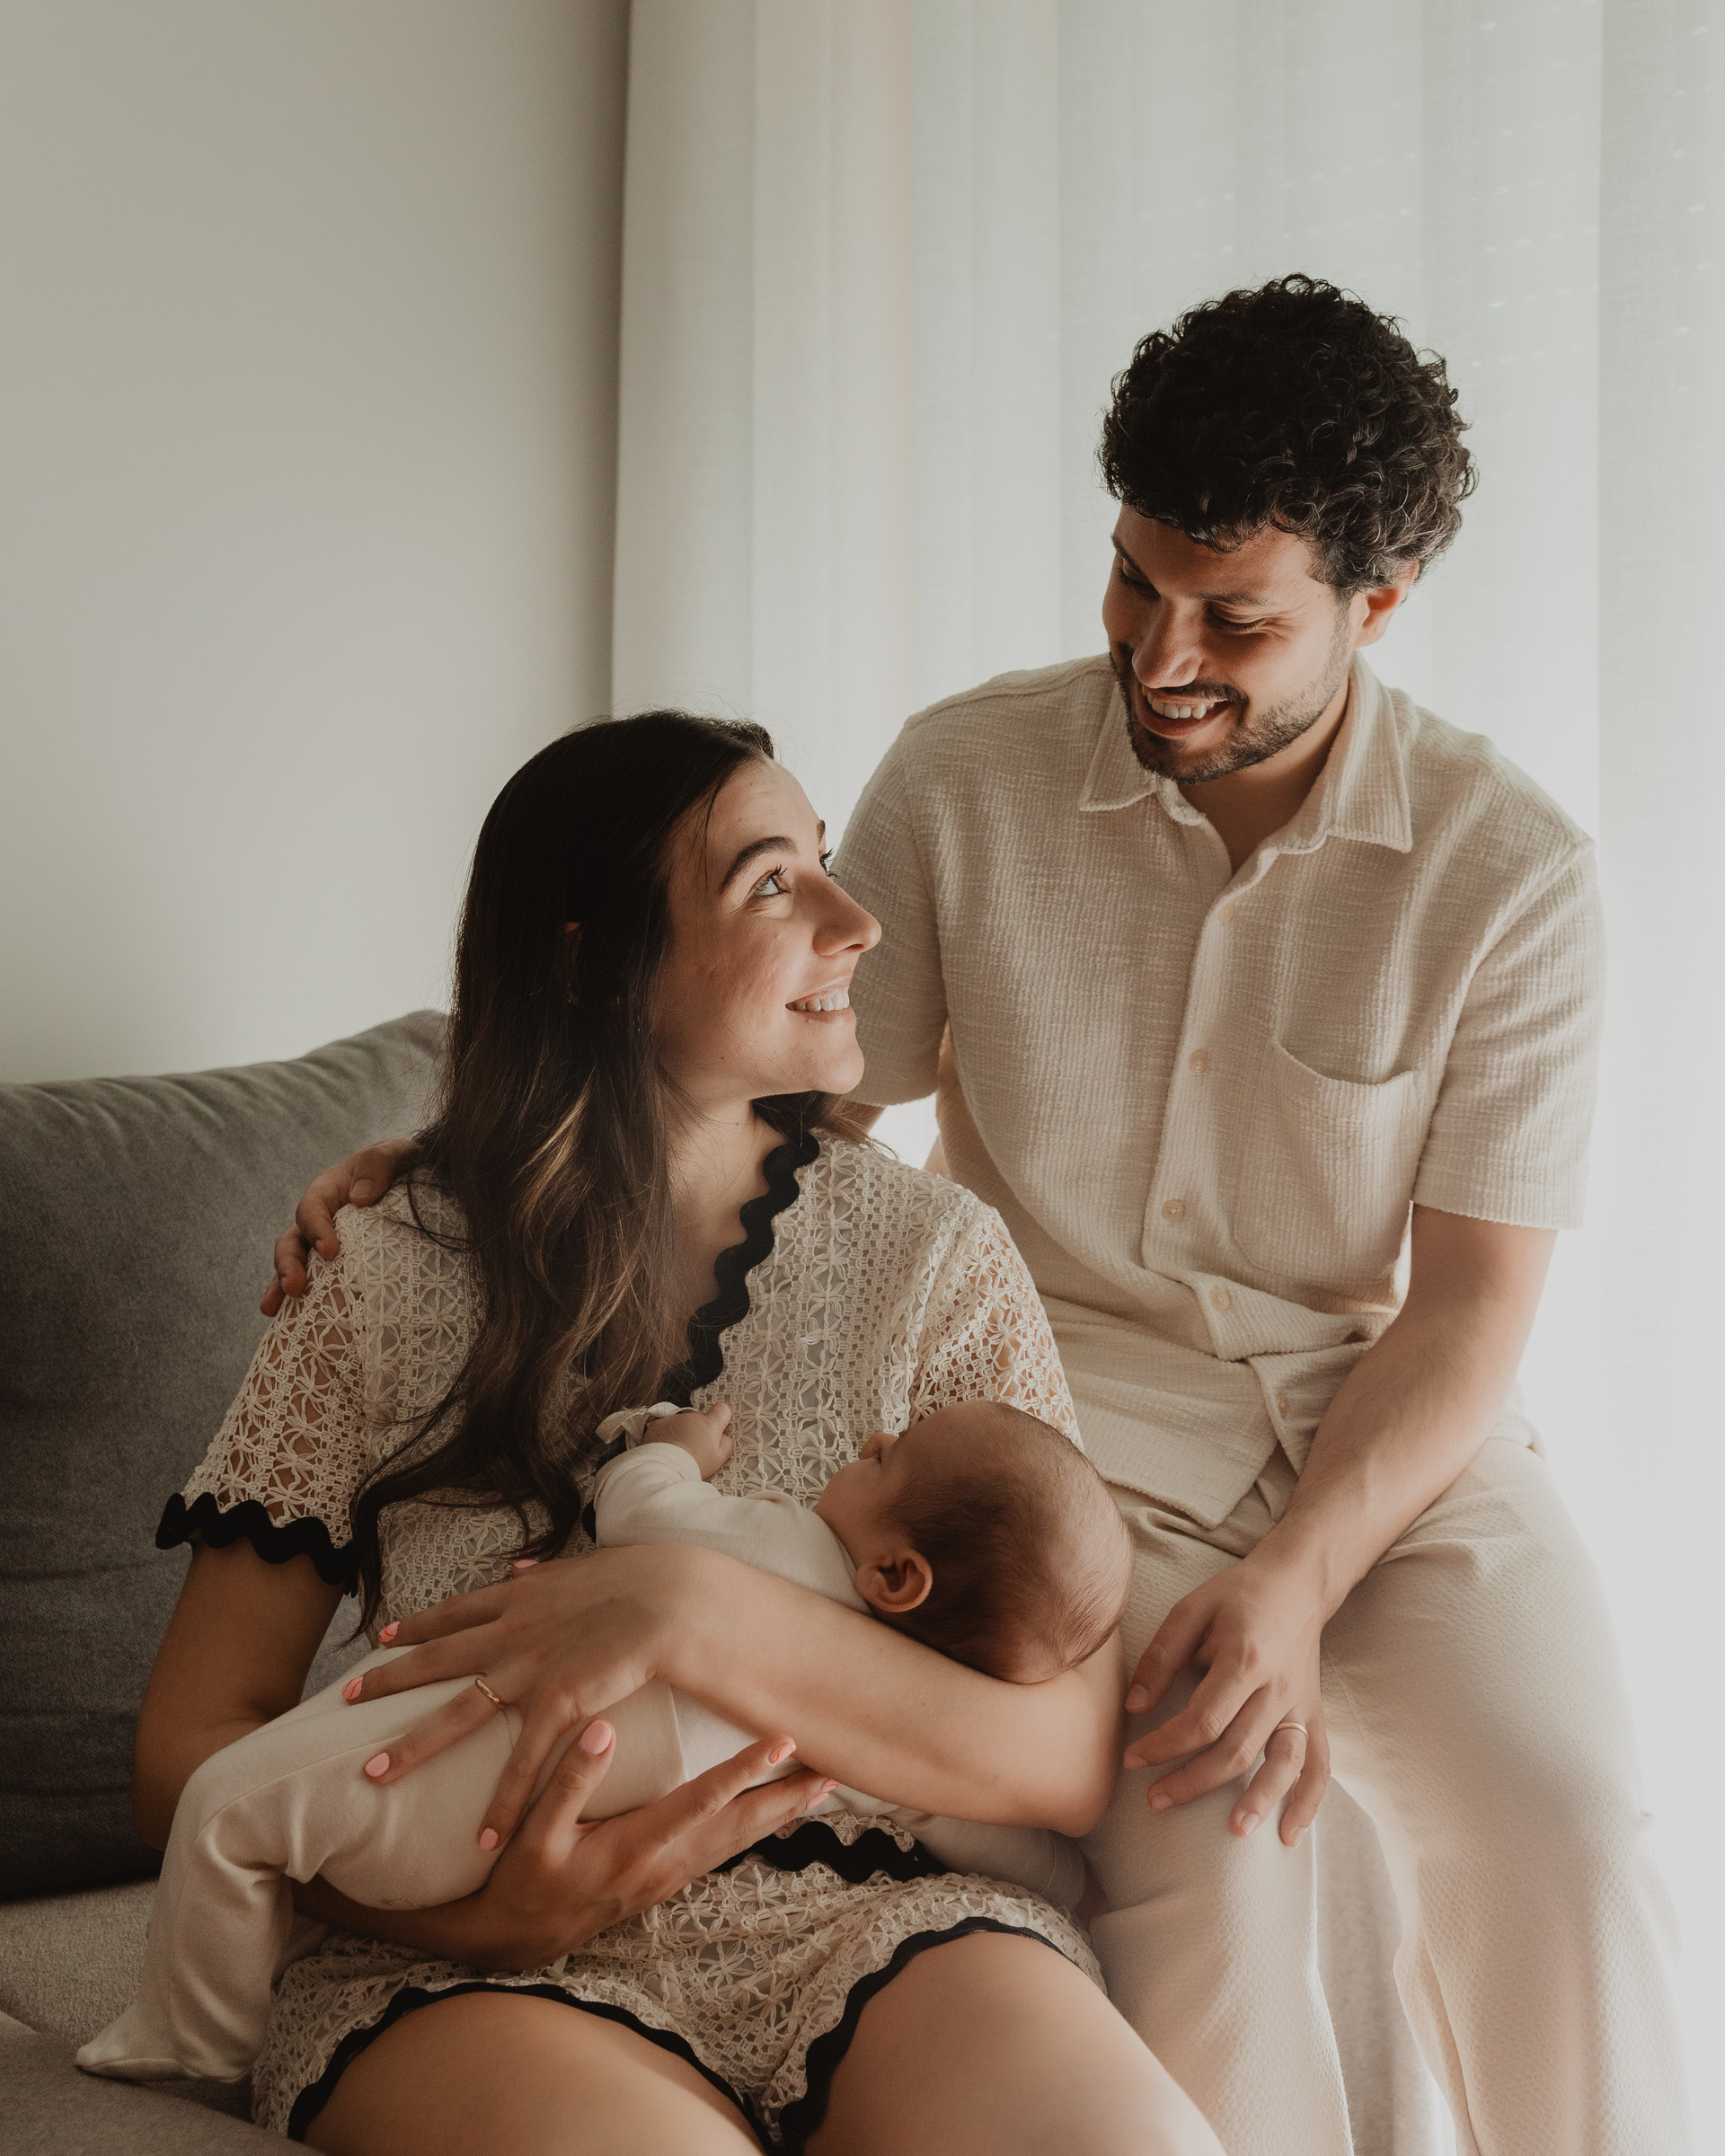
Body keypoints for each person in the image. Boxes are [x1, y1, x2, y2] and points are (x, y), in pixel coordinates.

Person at [279, 277, 1686, 2156]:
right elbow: (765, 1083)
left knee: (1575, 1827)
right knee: (1224, 1814)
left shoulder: (1510, 869)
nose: (1160, 653)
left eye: (1233, 619)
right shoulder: (968, 773)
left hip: (1390, 1425)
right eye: (1132, 582)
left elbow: (1468, 1309)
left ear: (1377, 606)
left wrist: (1294, 1587)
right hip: (1057, 1425)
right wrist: (448, 1156)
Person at [136, 711, 1222, 2155]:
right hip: (464, 1963)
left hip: (865, 1913)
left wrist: (690, 1603)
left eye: (825, 863)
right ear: (588, 960)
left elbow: (1055, 1752)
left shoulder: (936, 1254)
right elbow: (190, 1745)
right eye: (774, 883)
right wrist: (472, 1911)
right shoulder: (385, 1270)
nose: (858, 919)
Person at [92, 1398, 1131, 2085]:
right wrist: (1066, 1882)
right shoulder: (887, 1742)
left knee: (235, 1812)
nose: (865, 1442)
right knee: (267, 1816)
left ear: (898, 1577)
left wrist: (667, 1454)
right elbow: (1001, 1834)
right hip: (532, 1869)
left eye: (889, 1454)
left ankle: (192, 2046)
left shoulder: (787, 1541)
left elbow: (647, 1517)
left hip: (515, 1788)